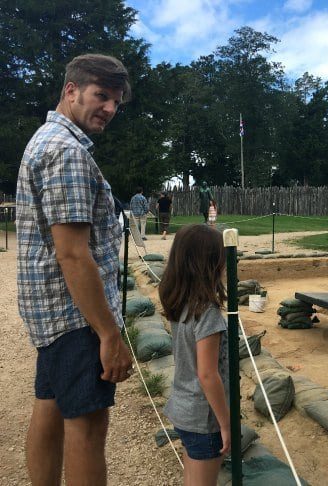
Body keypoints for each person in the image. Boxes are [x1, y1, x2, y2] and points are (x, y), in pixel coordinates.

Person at [16, 53, 133, 485]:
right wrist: (108, 333)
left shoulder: (45, 140)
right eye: (101, 95)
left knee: (48, 406)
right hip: (75, 316)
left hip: (51, 313)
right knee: (86, 427)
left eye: (115, 101)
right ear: (71, 90)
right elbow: (73, 255)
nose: (109, 108)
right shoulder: (67, 153)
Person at [158, 224, 231, 485]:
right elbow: (207, 374)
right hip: (204, 419)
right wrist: (226, 424)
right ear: (209, 264)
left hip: (183, 408)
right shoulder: (208, 314)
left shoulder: (182, 303)